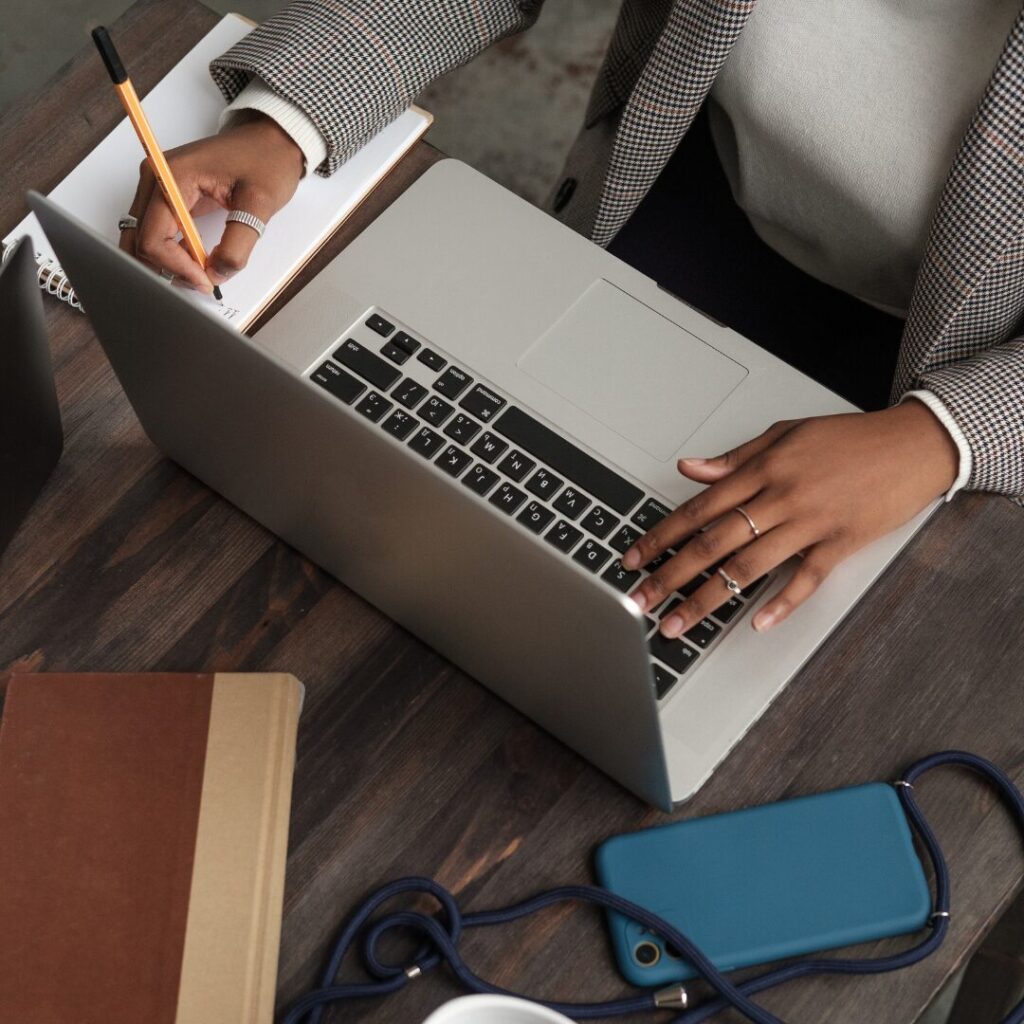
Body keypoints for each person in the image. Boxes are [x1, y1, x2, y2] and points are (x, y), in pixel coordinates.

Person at [119, 0, 1024, 638]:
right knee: (439, 510)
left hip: (965, 349)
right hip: (701, 184)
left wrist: (946, 437)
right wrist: (290, 119)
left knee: (712, 627)